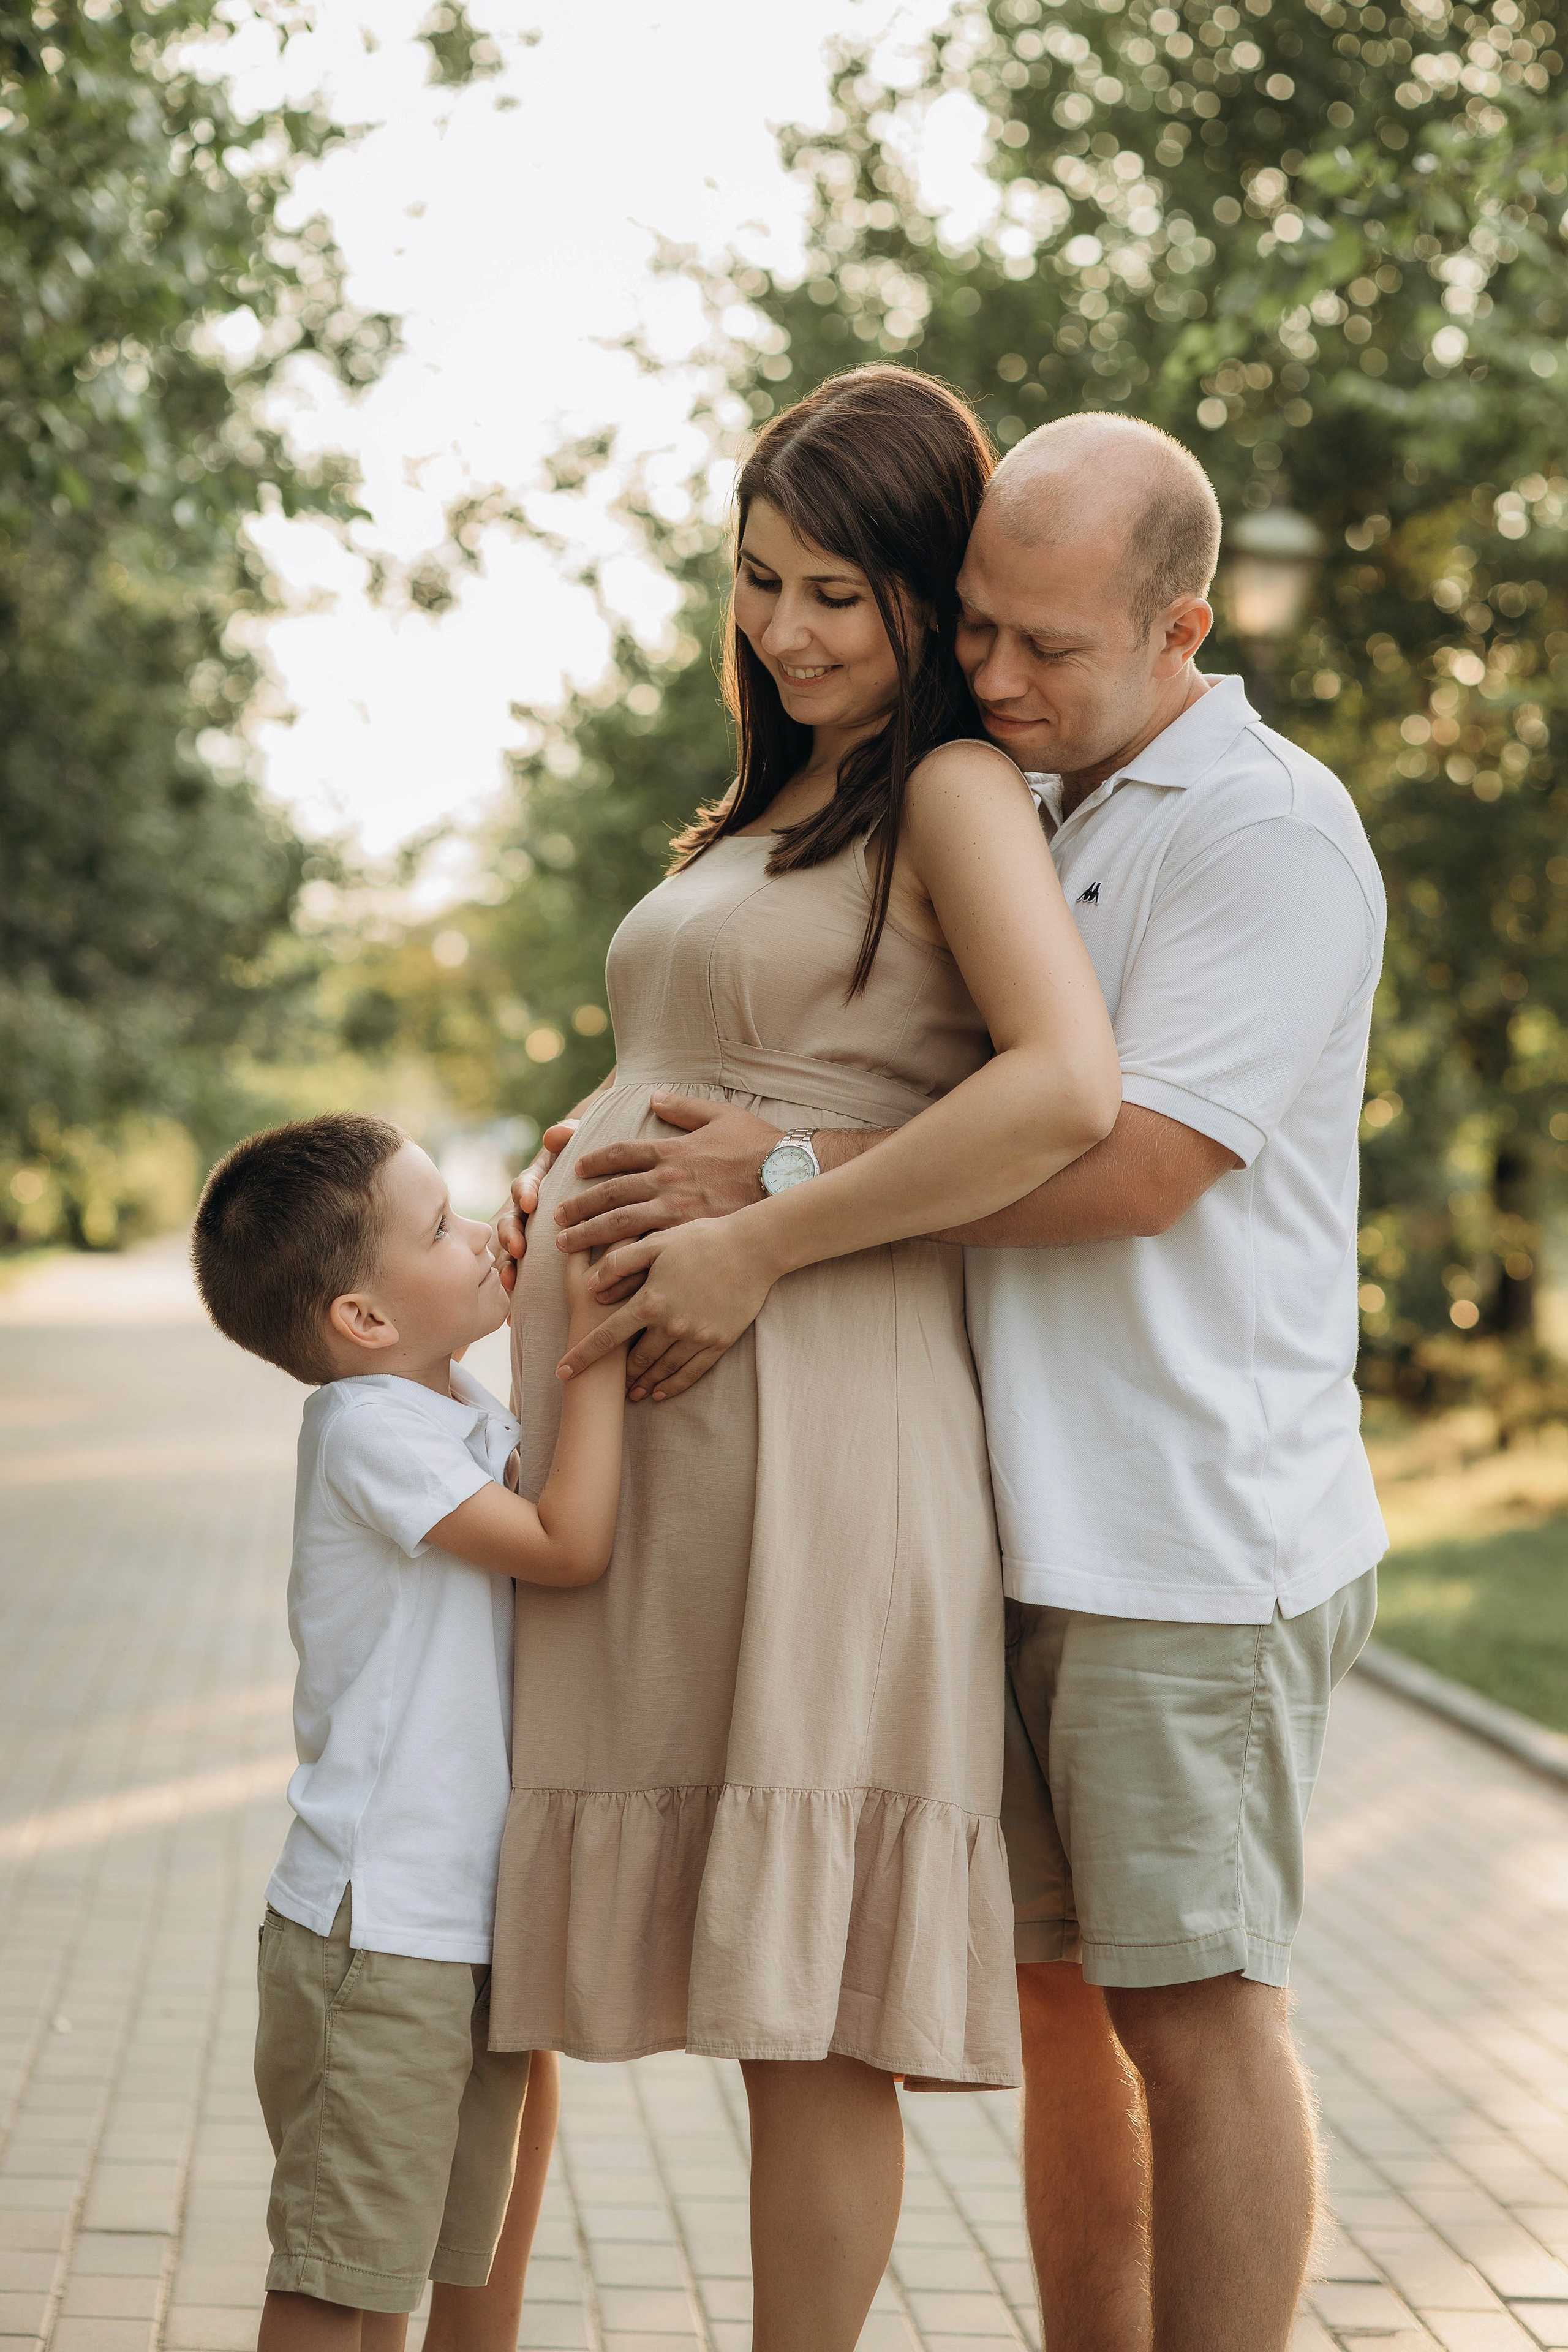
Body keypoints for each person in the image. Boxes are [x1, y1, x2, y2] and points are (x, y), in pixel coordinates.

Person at [527, 412, 1386, 2352]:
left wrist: (778, 1198)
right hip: (1012, 1499)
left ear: (1179, 631)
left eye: (1039, 644)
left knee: (1200, 2006)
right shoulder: (1043, 789)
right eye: (978, 631)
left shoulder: (1257, 831)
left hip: (1188, 1528)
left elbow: (1128, 1153)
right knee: (1059, 2002)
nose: (992, 678)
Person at [488, 365, 1121, 2352]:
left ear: (930, 595)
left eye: (840, 592)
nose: (787, 630)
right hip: (653, 1441)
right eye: (761, 582)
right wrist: (567, 1159)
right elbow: (708, 1055)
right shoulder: (774, 798)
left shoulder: (941, 790)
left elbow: (1066, 1092)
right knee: (516, 1951)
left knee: (810, 1995)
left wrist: (755, 1233)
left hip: (813, 1424)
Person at [190, 1112, 627, 2352]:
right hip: (374, 1936)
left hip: (453, 1921)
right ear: (365, 1322)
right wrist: (588, 1333)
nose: (486, 1233)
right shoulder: (368, 1429)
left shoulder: (449, 1408)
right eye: (443, 1228)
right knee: (342, 2285)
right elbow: (565, 1545)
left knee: (424, 2263)